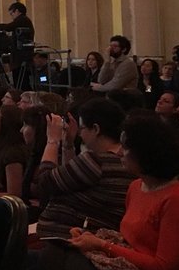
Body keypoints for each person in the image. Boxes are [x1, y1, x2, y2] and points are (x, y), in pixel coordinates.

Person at [45, 113, 179, 270]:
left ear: (146, 154)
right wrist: (94, 239)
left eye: (126, 148)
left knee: (77, 267)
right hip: (123, 268)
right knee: (56, 253)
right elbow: (127, 239)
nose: (121, 153)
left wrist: (103, 246)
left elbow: (165, 269)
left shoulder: (177, 198)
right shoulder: (136, 187)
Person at [34, 97, 133, 238]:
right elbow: (70, 182)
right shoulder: (116, 160)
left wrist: (52, 140)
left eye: (82, 128)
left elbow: (44, 183)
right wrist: (68, 145)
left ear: (96, 129)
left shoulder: (96, 161)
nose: (80, 134)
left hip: (69, 244)